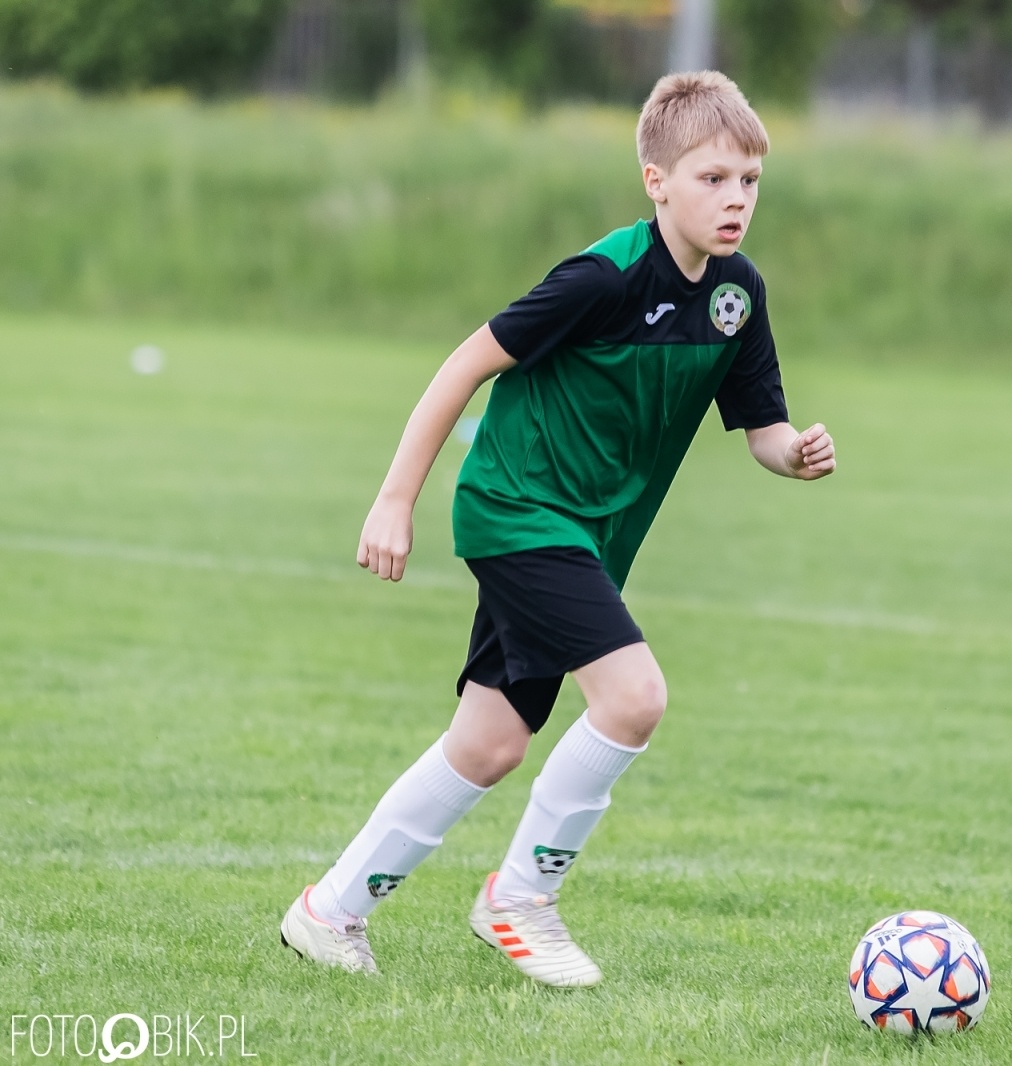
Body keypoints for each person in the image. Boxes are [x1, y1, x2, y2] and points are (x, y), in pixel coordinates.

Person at [278, 71, 836, 985]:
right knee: (633, 696)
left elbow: (763, 431)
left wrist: (797, 453)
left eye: (750, 181)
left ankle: (330, 913)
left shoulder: (737, 297)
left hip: (586, 539)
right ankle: (521, 898)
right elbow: (466, 363)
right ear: (657, 181)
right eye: (712, 178)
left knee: (490, 743)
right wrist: (394, 499)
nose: (736, 198)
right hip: (515, 510)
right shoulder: (603, 277)